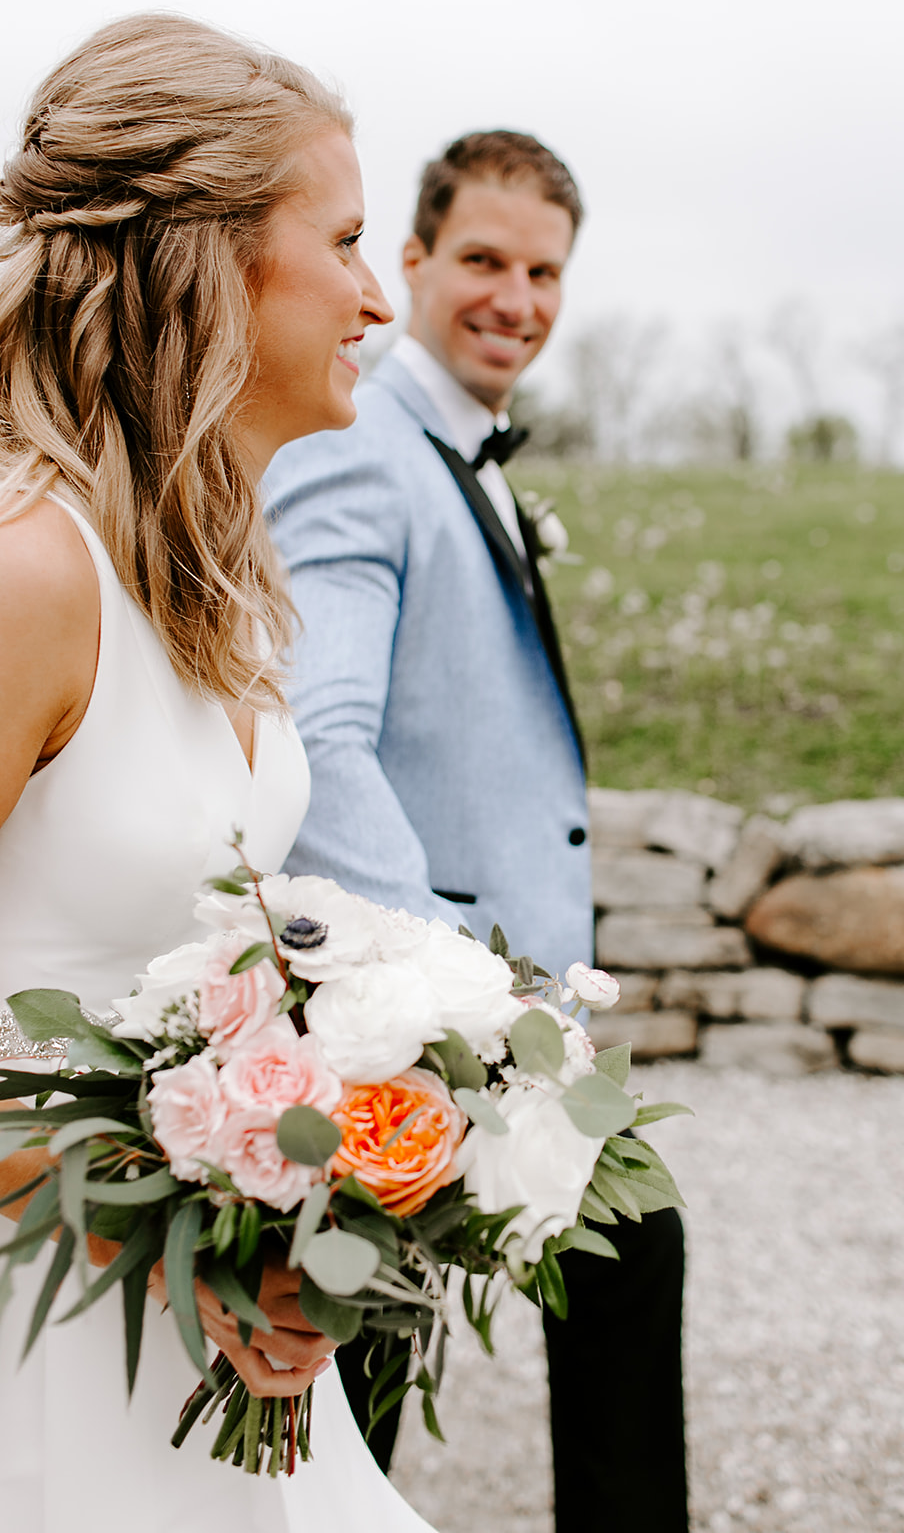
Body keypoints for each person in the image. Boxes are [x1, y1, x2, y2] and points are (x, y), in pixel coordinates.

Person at [0, 13, 440, 1533]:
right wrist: (155, 1240)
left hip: (217, 1348)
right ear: (207, 265)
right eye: (346, 240)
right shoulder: (29, 583)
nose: (381, 297)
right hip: (47, 1346)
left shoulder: (224, 584)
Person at [265, 131, 689, 1533]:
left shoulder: (464, 450)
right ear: (413, 264)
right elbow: (324, 736)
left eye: (545, 271)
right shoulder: (363, 453)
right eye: (485, 262)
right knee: (363, 1334)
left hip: (509, 986)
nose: (517, 299)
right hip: (432, 994)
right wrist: (452, 990)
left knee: (601, 1254)